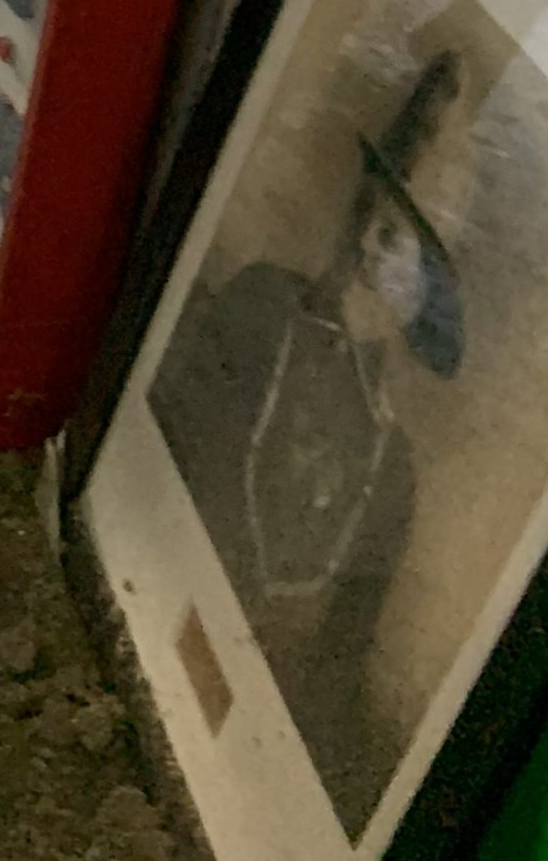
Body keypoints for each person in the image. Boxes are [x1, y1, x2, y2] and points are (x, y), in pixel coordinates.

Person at [149, 52, 467, 838]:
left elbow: (333, 678)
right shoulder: (260, 305)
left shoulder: (390, 474)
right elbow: (155, 461)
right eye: (381, 221)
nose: (373, 256)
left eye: (410, 258)